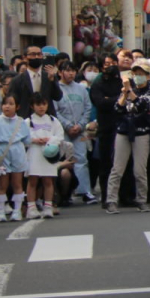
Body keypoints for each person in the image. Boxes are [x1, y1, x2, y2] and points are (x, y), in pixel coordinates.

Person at [106, 59, 150, 214]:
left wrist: (130, 91)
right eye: (135, 74)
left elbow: (144, 106)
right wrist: (125, 93)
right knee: (117, 168)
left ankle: (141, 200)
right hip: (124, 130)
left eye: (141, 74)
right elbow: (118, 108)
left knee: (139, 169)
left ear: (148, 75)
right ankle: (111, 200)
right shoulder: (127, 88)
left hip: (142, 131)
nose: (138, 77)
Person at [90, 50, 130, 209]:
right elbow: (99, 102)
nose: (110, 67)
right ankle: (107, 197)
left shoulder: (123, 79)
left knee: (124, 162)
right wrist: (117, 100)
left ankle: (125, 196)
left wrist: (114, 100)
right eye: (106, 64)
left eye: (113, 63)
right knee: (106, 163)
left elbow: (128, 98)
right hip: (105, 126)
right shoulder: (98, 81)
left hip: (123, 124)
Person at [55, 60, 94, 204]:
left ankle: (84, 191)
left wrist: (81, 125)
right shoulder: (56, 88)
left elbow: (88, 108)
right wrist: (68, 126)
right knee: (64, 161)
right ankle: (65, 193)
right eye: (67, 70)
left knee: (81, 160)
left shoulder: (81, 89)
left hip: (80, 131)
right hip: (63, 131)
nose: (71, 73)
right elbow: (55, 111)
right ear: (60, 72)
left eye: (73, 70)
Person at [0, 95, 28, 221]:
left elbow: (27, 139)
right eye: (5, 104)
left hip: (18, 151)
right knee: (2, 183)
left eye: (11, 104)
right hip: (2, 151)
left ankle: (17, 210)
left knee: (17, 182)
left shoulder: (21, 122)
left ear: (17, 107)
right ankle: (0, 212)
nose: (7, 106)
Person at [23, 95, 64, 219]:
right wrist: (34, 140)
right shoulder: (28, 121)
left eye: (44, 104)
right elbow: (23, 138)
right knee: (33, 180)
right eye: (38, 104)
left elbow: (60, 136)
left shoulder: (53, 120)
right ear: (32, 106)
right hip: (34, 152)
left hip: (48, 154)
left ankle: (48, 206)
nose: (41, 107)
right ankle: (31, 208)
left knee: (48, 180)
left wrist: (50, 139)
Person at [7, 44, 63, 116]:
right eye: (33, 54)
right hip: (25, 119)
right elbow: (12, 101)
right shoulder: (17, 80)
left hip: (47, 118)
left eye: (39, 54)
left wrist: (52, 81)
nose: (36, 57)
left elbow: (58, 97)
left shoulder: (49, 76)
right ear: (25, 57)